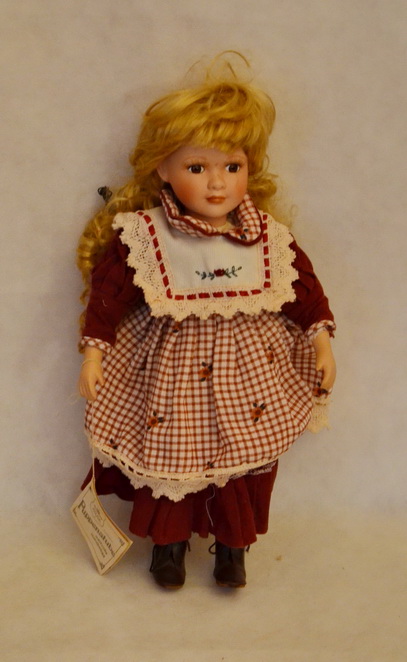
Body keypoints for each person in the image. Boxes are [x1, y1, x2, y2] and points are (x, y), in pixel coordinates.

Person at [77, 54, 336, 590]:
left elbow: (303, 292)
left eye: (232, 167)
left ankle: (232, 550)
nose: (217, 184)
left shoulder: (266, 237)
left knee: (241, 458)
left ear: (249, 169)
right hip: (172, 379)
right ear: (163, 170)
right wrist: (94, 354)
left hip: (249, 377)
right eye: (197, 168)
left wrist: (322, 343)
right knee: (172, 456)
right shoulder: (147, 237)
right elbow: (109, 295)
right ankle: (167, 547)